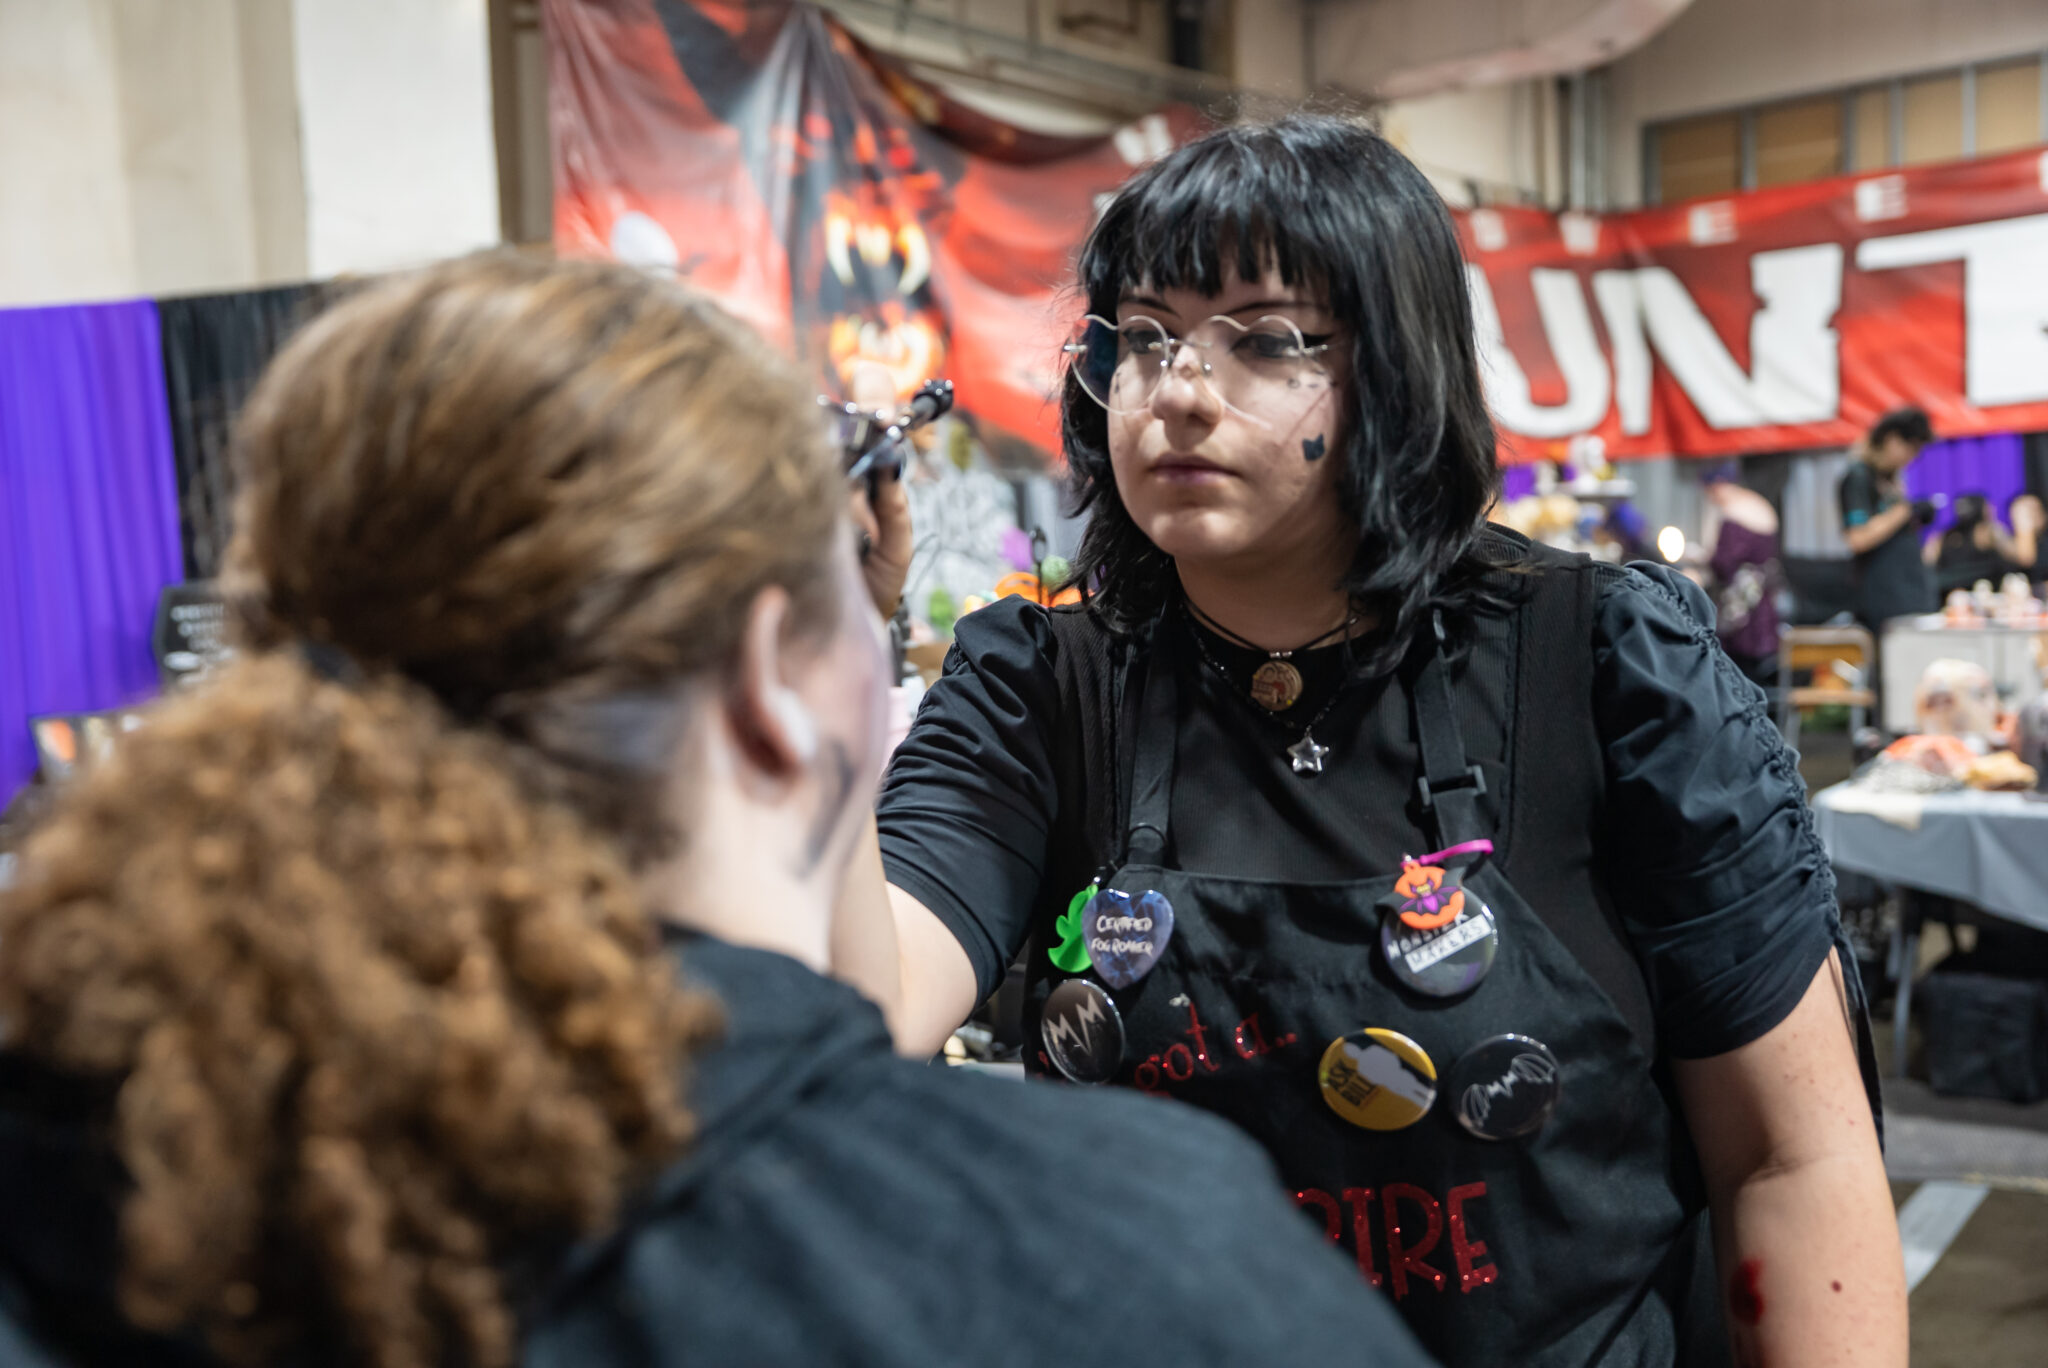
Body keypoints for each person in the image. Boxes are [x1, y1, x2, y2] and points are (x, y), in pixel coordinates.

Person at [0, 256, 1436, 1368]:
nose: (1186, 388)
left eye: (1270, 339)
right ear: (768, 679)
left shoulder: (103, 1165)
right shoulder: (1133, 1265)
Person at [843, 117, 1905, 1368]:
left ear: (1398, 371)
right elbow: (859, 1005)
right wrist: (827, 637)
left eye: (1265, 339)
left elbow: (1791, 1157)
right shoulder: (1042, 684)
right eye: (1142, 338)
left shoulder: (1607, 670)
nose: (1179, 390)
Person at [1838, 407, 1939, 627]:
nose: (1911, 458)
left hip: (1909, 591)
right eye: (1910, 449)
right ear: (1891, 440)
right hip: (1883, 598)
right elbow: (1857, 538)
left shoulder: (1890, 479)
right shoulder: (1858, 477)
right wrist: (1904, 512)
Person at [1699, 463, 1783, 688]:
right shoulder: (1759, 504)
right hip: (1763, 600)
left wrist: (1702, 560)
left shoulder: (1733, 513)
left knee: (1738, 678)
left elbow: (1723, 563)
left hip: (1741, 609)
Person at [1925, 491, 2043, 598]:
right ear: (1984, 509)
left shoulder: (1942, 536)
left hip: (1951, 599)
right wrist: (2023, 523)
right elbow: (2025, 558)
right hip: (1984, 600)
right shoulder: (1990, 532)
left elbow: (1925, 563)